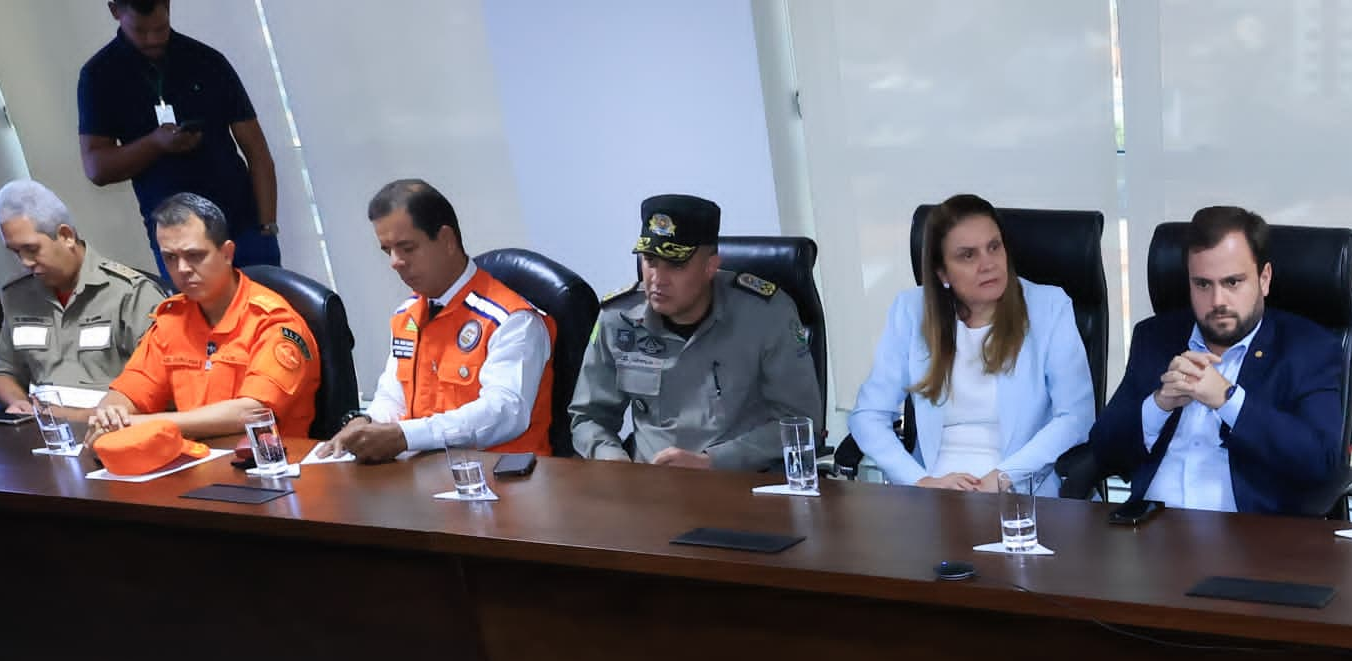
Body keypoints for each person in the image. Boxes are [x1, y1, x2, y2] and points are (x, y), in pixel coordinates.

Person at [1083, 204, 1349, 517]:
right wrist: (1158, 404)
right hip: (1151, 529)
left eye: (1233, 282)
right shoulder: (1156, 338)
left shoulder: (1308, 348)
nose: (1218, 301)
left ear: (1264, 279)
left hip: (1249, 538)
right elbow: (1103, 450)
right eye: (1203, 284)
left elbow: (1322, 463)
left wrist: (1228, 400)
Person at [844, 193, 1096, 496]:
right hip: (934, 493)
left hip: (1023, 492)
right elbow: (868, 414)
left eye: (994, 247)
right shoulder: (911, 311)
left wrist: (1003, 477)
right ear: (942, 273)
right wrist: (920, 481)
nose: (988, 264)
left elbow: (1075, 418)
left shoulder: (1049, 307)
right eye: (968, 255)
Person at [566, 193, 821, 471]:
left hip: (740, 482)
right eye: (650, 261)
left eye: (676, 265)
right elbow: (588, 416)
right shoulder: (618, 318)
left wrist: (713, 462)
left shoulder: (766, 314)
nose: (657, 280)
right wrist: (613, 459)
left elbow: (801, 421)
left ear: (711, 266)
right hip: (648, 484)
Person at [327, 179, 556, 464]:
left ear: (447, 241)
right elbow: (393, 397)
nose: (395, 262)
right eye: (388, 251)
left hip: (505, 481)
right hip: (426, 478)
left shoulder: (511, 320)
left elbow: (503, 413)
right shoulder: (406, 316)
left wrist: (405, 436)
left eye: (407, 248)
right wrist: (366, 423)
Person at [89, 195, 320, 442]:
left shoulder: (273, 321)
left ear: (227, 253)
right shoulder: (172, 319)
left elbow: (253, 411)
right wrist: (110, 415)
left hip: (270, 466)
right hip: (193, 462)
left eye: (195, 255)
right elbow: (130, 391)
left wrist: (139, 424)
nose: (182, 269)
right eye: (170, 258)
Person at [75, 0, 281, 270]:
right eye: (140, 31)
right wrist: (155, 144)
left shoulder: (207, 61)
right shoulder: (99, 76)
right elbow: (96, 168)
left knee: (264, 311)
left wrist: (266, 228)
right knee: (199, 314)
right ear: (115, 11)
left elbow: (257, 151)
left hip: (244, 231)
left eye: (161, 28)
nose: (152, 39)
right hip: (177, 243)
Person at [0, 178, 169, 417]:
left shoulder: (130, 293)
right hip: (40, 431)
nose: (25, 262)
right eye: (15, 252)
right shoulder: (17, 295)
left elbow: (157, 384)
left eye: (31, 249)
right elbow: (3, 371)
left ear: (66, 236)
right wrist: (18, 402)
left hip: (111, 429)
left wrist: (66, 416)